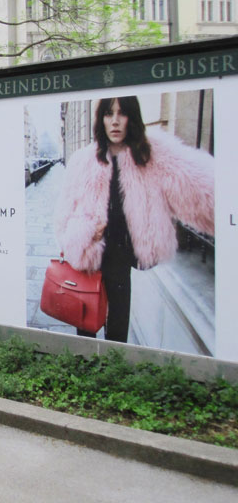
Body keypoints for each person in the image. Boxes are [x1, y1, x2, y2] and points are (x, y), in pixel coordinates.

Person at [53, 96, 214, 343]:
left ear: (132, 117)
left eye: (122, 113)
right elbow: (64, 217)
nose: (115, 121)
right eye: (109, 113)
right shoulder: (83, 161)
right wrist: (86, 232)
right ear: (101, 119)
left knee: (118, 323)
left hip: (121, 252)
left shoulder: (149, 154)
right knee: (84, 321)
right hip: (90, 253)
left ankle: (114, 369)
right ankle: (83, 369)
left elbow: (197, 185)